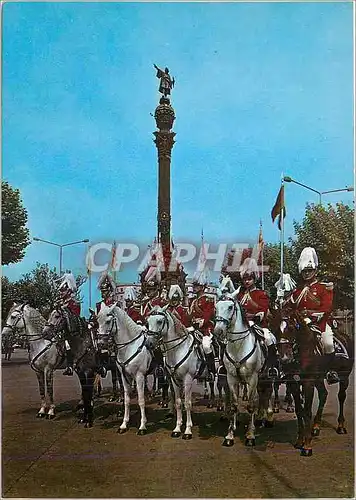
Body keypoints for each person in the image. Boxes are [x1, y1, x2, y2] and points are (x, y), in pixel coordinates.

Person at [290, 247, 339, 384]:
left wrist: (311, 315)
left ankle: (330, 371)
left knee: (328, 342)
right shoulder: (297, 291)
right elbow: (292, 307)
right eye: (304, 271)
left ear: (315, 270)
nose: (306, 274)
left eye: (309, 270)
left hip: (320, 323)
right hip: (300, 324)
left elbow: (327, 308)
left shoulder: (324, 288)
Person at [237, 258, 280, 378]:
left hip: (258, 325)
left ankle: (273, 367)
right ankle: (225, 367)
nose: (247, 282)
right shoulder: (240, 295)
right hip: (242, 325)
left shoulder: (261, 294)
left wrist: (257, 315)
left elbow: (263, 310)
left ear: (254, 279)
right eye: (245, 279)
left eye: (249, 279)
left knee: (268, 339)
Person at [189, 275, 216, 373]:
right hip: (194, 328)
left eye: (197, 286)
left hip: (206, 328)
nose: (194, 287)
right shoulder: (193, 301)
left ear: (202, 287)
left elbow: (209, 313)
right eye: (194, 285)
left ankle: (211, 369)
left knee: (206, 345)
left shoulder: (208, 299)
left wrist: (202, 321)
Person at [57, 273, 81, 376]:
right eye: (60, 290)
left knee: (68, 345)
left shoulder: (74, 303)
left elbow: (74, 318)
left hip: (72, 332)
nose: (60, 292)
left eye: (63, 290)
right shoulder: (60, 303)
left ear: (69, 291)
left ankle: (70, 366)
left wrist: (64, 310)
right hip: (60, 331)